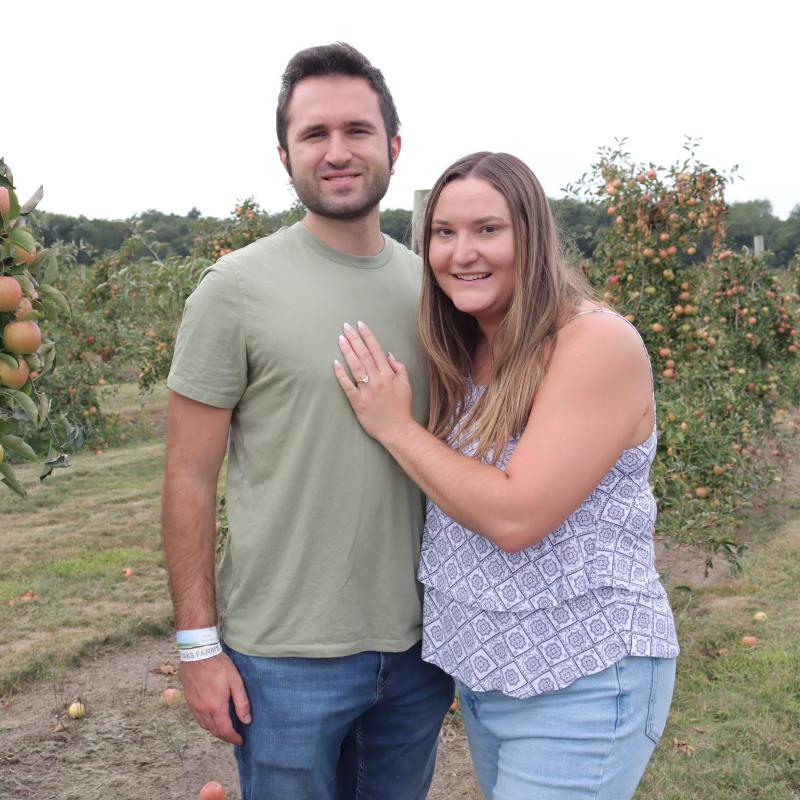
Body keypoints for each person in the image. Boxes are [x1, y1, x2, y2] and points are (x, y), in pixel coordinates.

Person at [334, 151, 680, 799]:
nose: (462, 252)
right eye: (444, 233)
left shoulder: (593, 344)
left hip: (583, 674)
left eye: (487, 230)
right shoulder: (466, 345)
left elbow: (517, 516)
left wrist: (395, 425)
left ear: (532, 235)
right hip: (492, 677)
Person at [162, 43, 453, 800]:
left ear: (392, 146)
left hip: (421, 649)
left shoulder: (438, 290)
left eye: (357, 130)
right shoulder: (235, 290)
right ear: (284, 155)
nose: (337, 151)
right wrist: (198, 648)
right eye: (313, 134)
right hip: (282, 659)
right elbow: (188, 476)